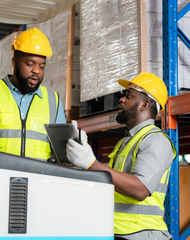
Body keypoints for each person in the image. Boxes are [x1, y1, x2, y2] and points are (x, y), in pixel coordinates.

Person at [66, 72, 177, 240]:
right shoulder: (125, 142)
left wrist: (92, 163)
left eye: (129, 96)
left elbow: (140, 189)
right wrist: (80, 162)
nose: (121, 100)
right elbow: (111, 183)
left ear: (144, 105)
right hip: (119, 231)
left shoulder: (156, 140)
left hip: (141, 234)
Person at [0, 27, 66, 161]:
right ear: (14, 62)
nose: (36, 71)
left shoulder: (53, 100)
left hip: (39, 179)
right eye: (30, 64)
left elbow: (63, 155)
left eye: (42, 66)